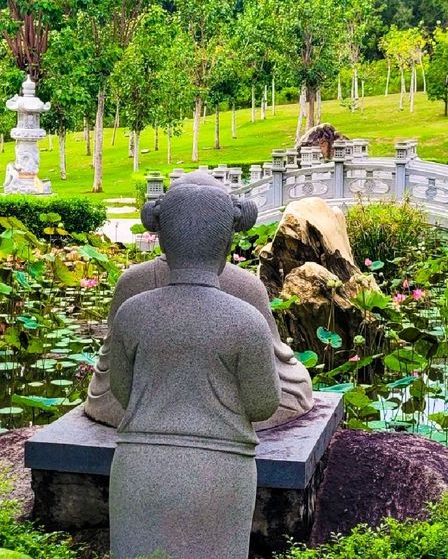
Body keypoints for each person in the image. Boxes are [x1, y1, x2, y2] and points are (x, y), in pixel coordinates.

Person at [109, 184, 281, 559]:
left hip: (138, 467)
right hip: (221, 472)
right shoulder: (246, 321)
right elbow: (264, 403)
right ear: (225, 247)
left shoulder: (132, 313)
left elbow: (121, 390)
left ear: (163, 243)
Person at [85, 171, 313, 431]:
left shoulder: (131, 285)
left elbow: (113, 379)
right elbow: (271, 387)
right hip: (222, 420)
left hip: (143, 416)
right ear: (227, 236)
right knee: (294, 387)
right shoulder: (245, 286)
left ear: (161, 232)